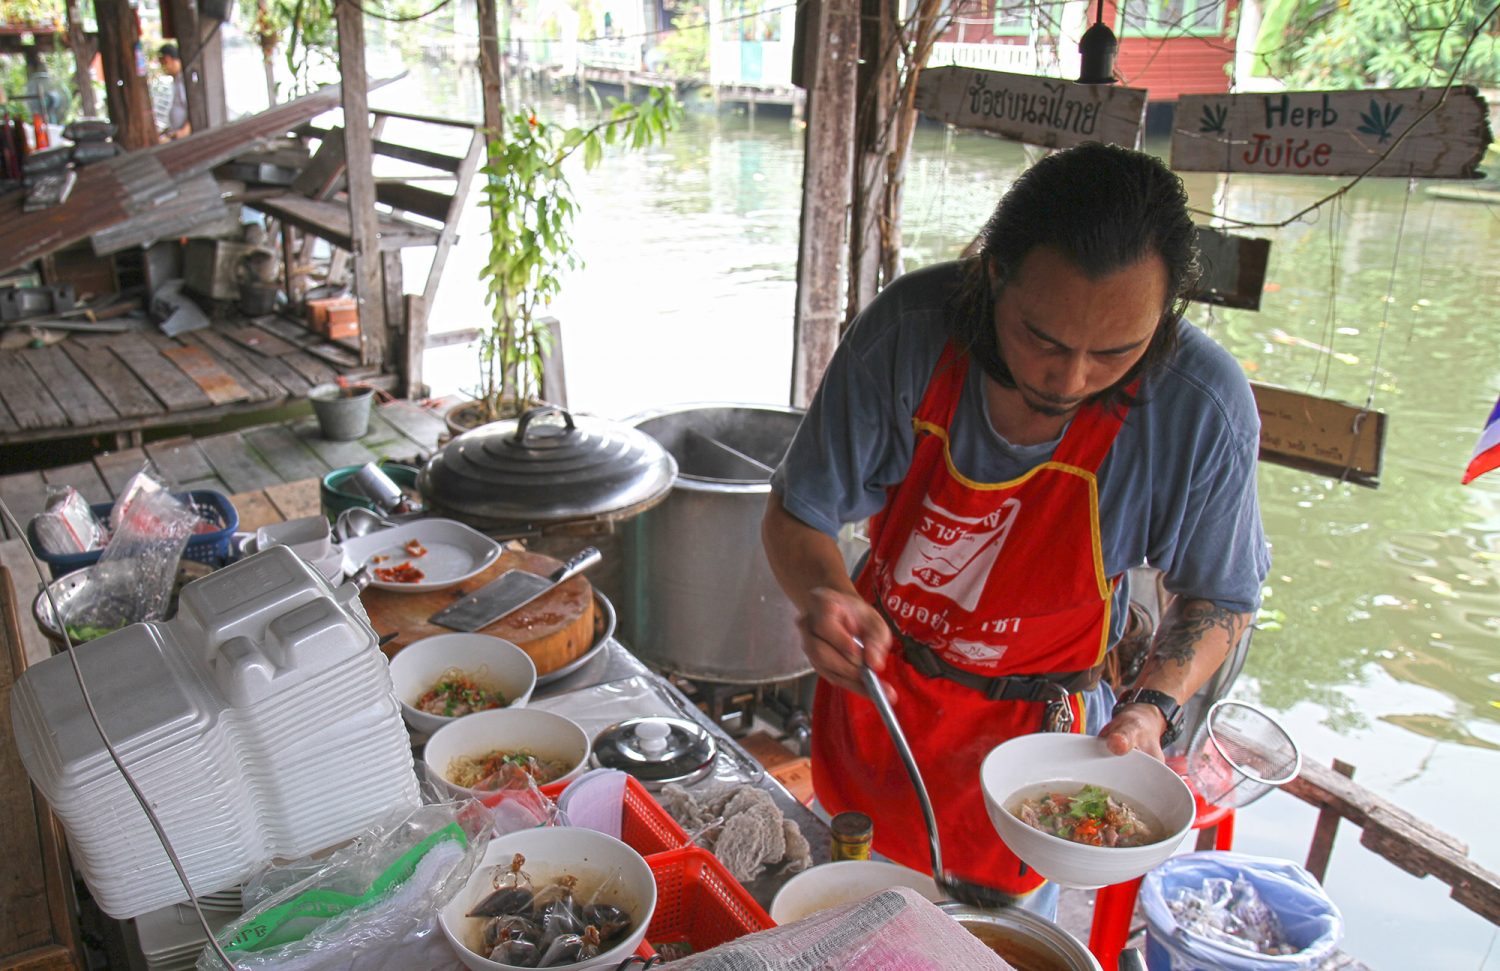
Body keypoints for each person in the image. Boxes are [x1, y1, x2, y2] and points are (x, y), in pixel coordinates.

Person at [761, 142, 1269, 914]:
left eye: (1116, 352)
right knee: (836, 921)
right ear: (992, 272)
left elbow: (1220, 598)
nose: (1069, 380)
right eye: (1043, 338)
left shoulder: (1200, 407)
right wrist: (826, 594)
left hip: (1039, 754)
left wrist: (1153, 705)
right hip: (879, 704)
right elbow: (798, 510)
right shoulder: (909, 333)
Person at [158, 43, 191, 141]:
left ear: (168, 59)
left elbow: (193, 109)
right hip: (177, 133)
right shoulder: (176, 80)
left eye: (163, 64)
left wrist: (183, 132)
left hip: (184, 137)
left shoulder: (184, 81)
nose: (163, 68)